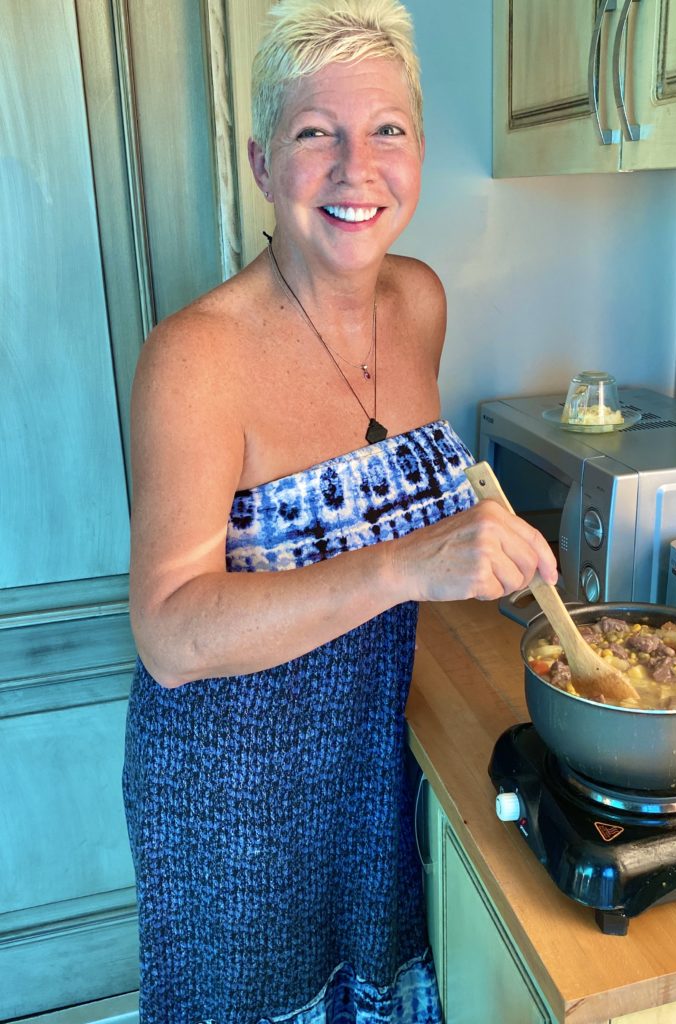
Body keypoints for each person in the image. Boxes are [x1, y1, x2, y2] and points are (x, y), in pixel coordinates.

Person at [122, 0, 557, 1021]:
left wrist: (477, 552)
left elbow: (400, 504)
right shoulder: (194, 358)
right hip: (233, 804)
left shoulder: (420, 304)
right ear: (262, 161)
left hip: (371, 763)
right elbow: (170, 634)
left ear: (418, 150)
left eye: (386, 129)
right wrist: (410, 564)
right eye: (317, 132)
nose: (357, 169)